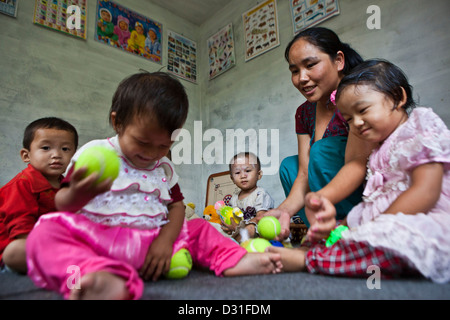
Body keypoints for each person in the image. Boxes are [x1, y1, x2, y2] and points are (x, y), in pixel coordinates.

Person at [26, 72, 282, 300]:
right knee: (44, 234)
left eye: (163, 146)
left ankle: (234, 260)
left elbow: (177, 207)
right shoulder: (94, 153)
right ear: (117, 123)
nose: (151, 154)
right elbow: (61, 204)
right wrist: (79, 193)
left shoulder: (163, 168)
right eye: (142, 142)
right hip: (97, 242)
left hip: (149, 245)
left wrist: (165, 241)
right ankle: (96, 278)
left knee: (200, 226)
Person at [268, 59, 450, 283]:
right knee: (329, 234)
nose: (358, 123)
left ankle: (310, 260)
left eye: (363, 110)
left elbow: (426, 192)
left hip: (418, 220)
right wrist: (329, 209)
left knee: (390, 247)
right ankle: (312, 251)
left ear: (398, 97)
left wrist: (379, 226)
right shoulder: (376, 146)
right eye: (349, 120)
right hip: (374, 218)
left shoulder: (419, 129)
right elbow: (361, 179)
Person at [268, 27, 376, 238]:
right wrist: (283, 211)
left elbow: (366, 159)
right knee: (290, 166)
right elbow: (304, 172)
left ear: (338, 61)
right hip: (326, 193)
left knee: (321, 150)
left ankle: (346, 226)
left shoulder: (359, 96)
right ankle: (320, 226)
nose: (302, 78)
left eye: (310, 65)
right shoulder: (303, 113)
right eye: (294, 71)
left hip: (366, 185)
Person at [0, 117, 78, 274]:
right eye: (46, 148)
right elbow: (20, 227)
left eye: (65, 149)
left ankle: (69, 274)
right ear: (26, 155)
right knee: (17, 249)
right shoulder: (22, 184)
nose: (56, 155)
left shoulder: (69, 186)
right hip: (17, 246)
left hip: (50, 245)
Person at [221, 152, 275, 242]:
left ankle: (236, 242)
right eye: (237, 172)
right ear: (232, 179)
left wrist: (239, 228)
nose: (243, 176)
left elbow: (260, 217)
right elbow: (231, 219)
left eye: (248, 171)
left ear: (259, 175)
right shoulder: (233, 199)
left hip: (259, 230)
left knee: (250, 228)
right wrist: (229, 227)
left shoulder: (260, 194)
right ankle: (230, 244)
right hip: (238, 230)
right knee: (219, 229)